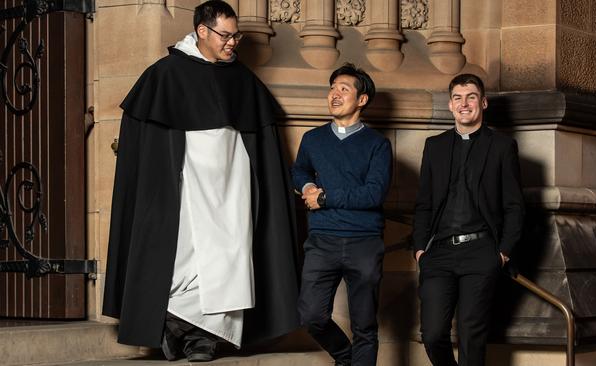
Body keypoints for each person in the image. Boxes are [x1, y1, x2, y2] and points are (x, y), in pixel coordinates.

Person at [102, 1, 300, 362]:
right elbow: (145, 145)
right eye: (225, 35)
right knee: (184, 258)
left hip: (232, 185)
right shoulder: (164, 75)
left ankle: (202, 337)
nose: (232, 43)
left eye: (236, 35)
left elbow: (260, 142)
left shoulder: (242, 79)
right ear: (202, 31)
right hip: (187, 184)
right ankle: (179, 328)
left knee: (232, 257)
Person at [412, 73, 525, 366]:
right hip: (438, 253)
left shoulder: (501, 146)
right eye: (458, 98)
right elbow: (423, 204)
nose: (464, 104)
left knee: (471, 337)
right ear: (450, 105)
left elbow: (515, 205)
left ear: (483, 103)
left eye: (471, 97)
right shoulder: (434, 146)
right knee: (433, 333)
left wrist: (502, 253)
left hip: (481, 251)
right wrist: (420, 250)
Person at [291, 63, 392, 366]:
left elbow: (373, 194)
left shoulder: (378, 145)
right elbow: (299, 170)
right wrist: (308, 185)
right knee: (311, 315)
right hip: (322, 241)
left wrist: (325, 197)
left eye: (344, 89)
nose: (335, 94)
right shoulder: (313, 139)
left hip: (364, 242)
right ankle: (345, 357)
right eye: (332, 88)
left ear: (361, 100)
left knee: (364, 325)